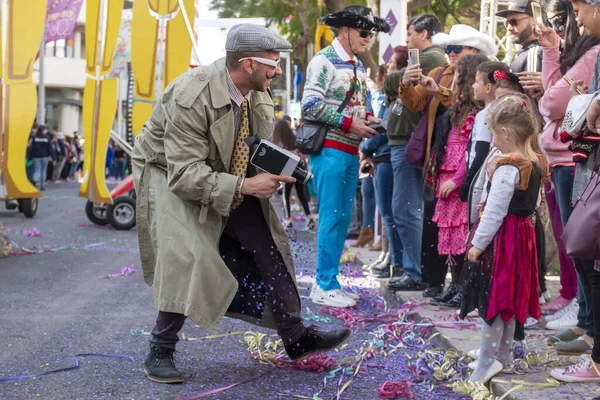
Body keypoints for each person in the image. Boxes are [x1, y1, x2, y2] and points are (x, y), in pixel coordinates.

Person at [132, 24, 351, 384]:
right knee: (190, 253)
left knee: (268, 246)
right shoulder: (190, 95)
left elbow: (252, 146)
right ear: (248, 64)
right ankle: (160, 349)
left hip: (224, 173)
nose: (278, 70)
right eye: (272, 63)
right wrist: (245, 185)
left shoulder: (258, 92)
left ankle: (295, 337)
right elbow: (184, 173)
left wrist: (287, 165)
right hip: (167, 172)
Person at [395, 24, 496, 293]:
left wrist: (438, 91)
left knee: (463, 227)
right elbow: (416, 102)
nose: (450, 54)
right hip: (440, 160)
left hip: (465, 163)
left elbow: (469, 107)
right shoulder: (439, 72)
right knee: (437, 224)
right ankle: (437, 281)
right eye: (447, 49)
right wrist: (406, 84)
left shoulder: (480, 77)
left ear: (474, 51)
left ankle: (460, 285)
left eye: (456, 49)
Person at [301, 6, 389, 308]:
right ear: (346, 30)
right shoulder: (323, 61)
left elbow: (352, 105)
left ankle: (331, 281)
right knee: (331, 217)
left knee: (339, 219)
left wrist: (369, 119)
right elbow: (310, 105)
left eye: (372, 34)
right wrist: (352, 124)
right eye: (364, 32)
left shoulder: (357, 66)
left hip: (350, 150)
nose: (369, 39)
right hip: (330, 150)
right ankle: (323, 283)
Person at [465, 94, 548, 383]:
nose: (491, 140)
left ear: (506, 132)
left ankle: (487, 361)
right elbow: (535, 203)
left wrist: (477, 245)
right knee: (511, 296)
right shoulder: (535, 161)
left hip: (504, 241)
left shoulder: (508, 166)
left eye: (492, 132)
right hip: (523, 237)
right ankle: (504, 356)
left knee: (495, 298)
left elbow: (494, 212)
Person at [537, 1, 600, 354]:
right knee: (577, 244)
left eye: (576, 11)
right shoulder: (582, 54)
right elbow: (552, 96)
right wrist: (550, 51)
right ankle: (587, 323)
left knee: (583, 245)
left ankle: (591, 329)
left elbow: (550, 104)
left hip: (576, 159)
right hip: (566, 157)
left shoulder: (593, 54)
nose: (573, 19)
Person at [377, 14, 447, 285]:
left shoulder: (430, 57)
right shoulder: (423, 57)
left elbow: (389, 80)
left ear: (425, 33)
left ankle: (413, 272)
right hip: (399, 142)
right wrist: (396, 80)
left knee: (406, 209)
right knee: (400, 209)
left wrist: (395, 79)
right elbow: (391, 81)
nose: (406, 39)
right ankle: (409, 269)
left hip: (408, 142)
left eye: (410, 34)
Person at [423, 54, 489, 308]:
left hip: (460, 178)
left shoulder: (477, 112)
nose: (456, 79)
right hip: (446, 174)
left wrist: (459, 179)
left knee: (463, 233)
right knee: (450, 233)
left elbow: (471, 151)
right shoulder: (460, 105)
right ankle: (455, 284)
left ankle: (465, 288)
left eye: (460, 76)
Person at [271, 120, 316, 230]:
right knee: (301, 193)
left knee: (286, 195)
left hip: (287, 168)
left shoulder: (278, 141)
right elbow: (303, 156)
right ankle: (309, 217)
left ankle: (288, 219)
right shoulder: (294, 139)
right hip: (299, 167)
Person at [497, 0, 545, 98]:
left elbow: (532, 99)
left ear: (535, 20)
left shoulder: (534, 53)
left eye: (514, 22)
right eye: (507, 23)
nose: (509, 28)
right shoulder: (526, 52)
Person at [28, 125, 55, 191]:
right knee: (43, 171)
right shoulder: (47, 138)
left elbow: (31, 148)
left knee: (37, 170)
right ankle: (42, 185)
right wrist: (53, 158)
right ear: (43, 130)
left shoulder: (34, 138)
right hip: (45, 157)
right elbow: (50, 148)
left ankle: (35, 180)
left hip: (36, 157)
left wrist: (29, 157)